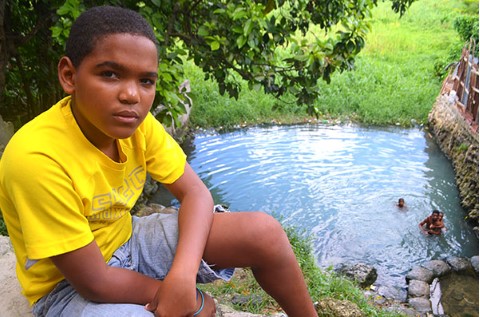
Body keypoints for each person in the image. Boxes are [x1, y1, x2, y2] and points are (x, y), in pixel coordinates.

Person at [0, 6, 317, 317]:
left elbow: (195, 193)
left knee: (263, 233)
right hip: (67, 288)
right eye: (110, 74)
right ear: (69, 76)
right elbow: (93, 282)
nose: (131, 95)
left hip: (129, 241)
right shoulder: (37, 158)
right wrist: (179, 298)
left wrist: (182, 275)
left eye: (146, 81)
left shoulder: (135, 124)